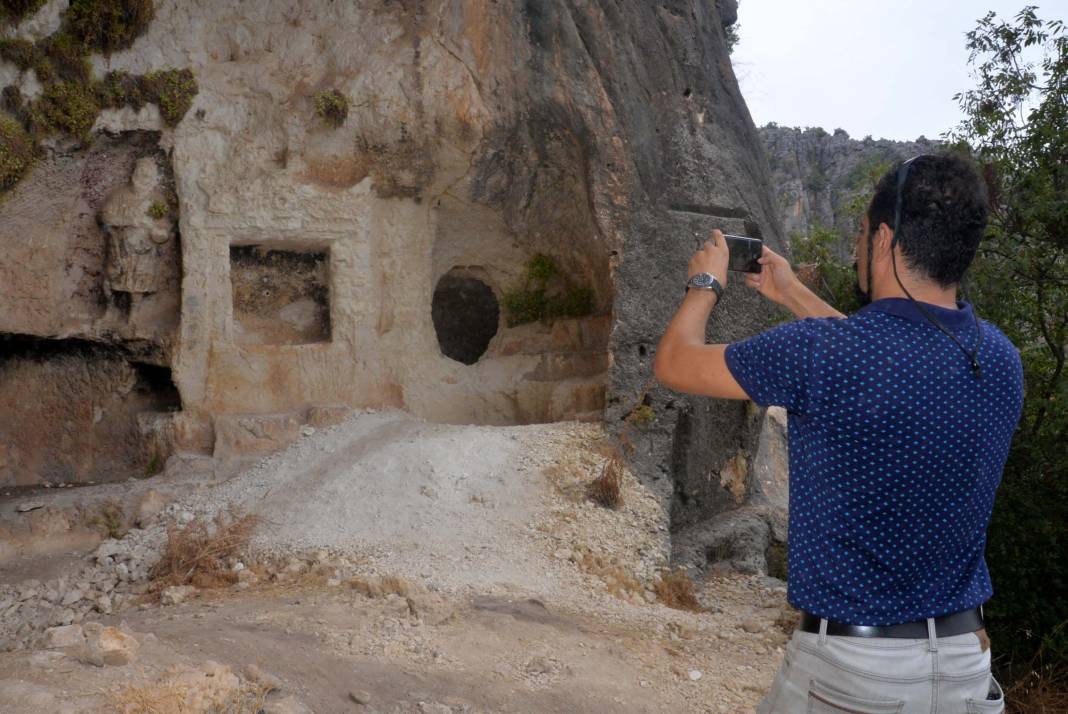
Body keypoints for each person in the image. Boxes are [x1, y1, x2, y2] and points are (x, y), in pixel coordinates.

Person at [654, 153, 1022, 713]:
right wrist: (790, 293)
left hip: (853, 678)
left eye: (860, 234)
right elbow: (888, 359)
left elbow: (676, 362)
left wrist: (705, 282)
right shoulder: (999, 359)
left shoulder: (824, 354)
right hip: (964, 670)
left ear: (882, 238)